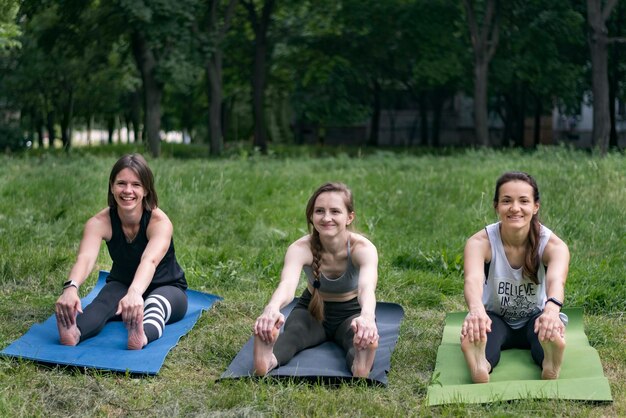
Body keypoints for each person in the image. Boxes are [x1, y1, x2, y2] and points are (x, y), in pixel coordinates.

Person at [55, 153, 188, 350]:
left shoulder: (159, 222)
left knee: (154, 306)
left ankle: (141, 336)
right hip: (122, 283)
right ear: (111, 186)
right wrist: (71, 288)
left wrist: (135, 292)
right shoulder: (99, 222)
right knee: (101, 304)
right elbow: (85, 258)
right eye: (121, 183)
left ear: (146, 190)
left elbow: (149, 261)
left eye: (136, 184)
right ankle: (74, 332)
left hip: (167, 287)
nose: (128, 191)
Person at [253, 182, 379, 378]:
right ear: (312, 216)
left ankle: (360, 364)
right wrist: (272, 307)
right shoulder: (300, 248)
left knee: (356, 338)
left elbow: (366, 289)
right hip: (311, 310)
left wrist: (367, 317)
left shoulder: (362, 248)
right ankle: (266, 359)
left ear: (349, 217)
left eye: (335, 211)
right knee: (294, 334)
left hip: (351, 313)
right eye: (319, 211)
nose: (327, 217)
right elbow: (287, 285)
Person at [460, 171, 570, 383]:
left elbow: (557, 280)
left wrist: (552, 311)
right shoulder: (479, 242)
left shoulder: (554, 245)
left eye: (524, 201)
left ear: (535, 207)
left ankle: (549, 361)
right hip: (494, 318)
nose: (515, 208)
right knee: (483, 334)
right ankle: (481, 364)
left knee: (546, 333)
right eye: (507, 201)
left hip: (536, 318)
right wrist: (476, 311)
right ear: (496, 206)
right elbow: (472, 280)